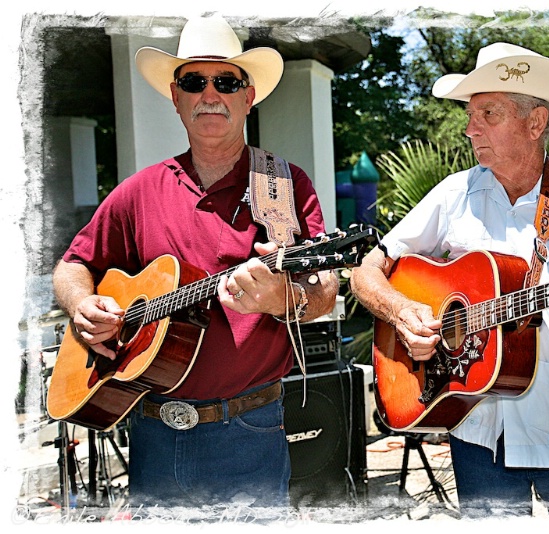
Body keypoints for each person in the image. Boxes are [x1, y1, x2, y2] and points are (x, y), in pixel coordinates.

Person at [50, 15, 339, 512]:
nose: (211, 94)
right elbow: (72, 265)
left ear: (248, 97)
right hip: (153, 436)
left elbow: (325, 290)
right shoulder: (137, 193)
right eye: (194, 81)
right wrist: (82, 304)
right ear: (176, 97)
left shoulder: (284, 186)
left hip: (249, 432)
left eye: (226, 81)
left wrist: (283, 298)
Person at [349, 42, 549, 520]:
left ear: (536, 122)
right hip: (478, 430)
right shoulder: (455, 192)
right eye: (470, 115)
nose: (469, 129)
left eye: (487, 113)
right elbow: (366, 270)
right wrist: (404, 313)